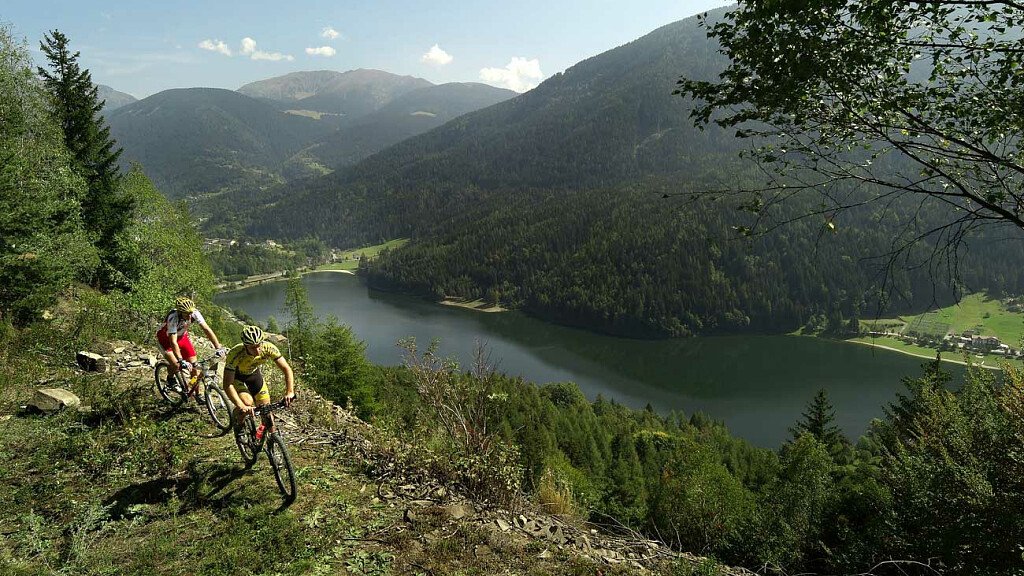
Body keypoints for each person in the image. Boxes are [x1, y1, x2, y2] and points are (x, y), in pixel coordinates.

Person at [223, 325, 295, 429]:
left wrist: (290, 392)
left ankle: (271, 440)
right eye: (252, 347)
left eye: (258, 345)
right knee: (247, 402)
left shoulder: (269, 348)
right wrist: (240, 406)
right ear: (245, 345)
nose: (257, 351)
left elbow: (286, 369)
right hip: (237, 377)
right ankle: (239, 426)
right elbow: (227, 384)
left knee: (267, 414)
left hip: (253, 375)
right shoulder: (235, 353)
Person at [156, 296, 227, 388]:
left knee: (194, 368)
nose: (189, 316)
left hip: (182, 337)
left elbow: (206, 329)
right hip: (166, 340)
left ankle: (195, 393)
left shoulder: (194, 313)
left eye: (190, 313)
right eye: (186, 314)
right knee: (176, 364)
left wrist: (218, 347)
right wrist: (181, 360)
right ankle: (170, 378)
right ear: (180, 312)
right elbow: (173, 342)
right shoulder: (173, 317)